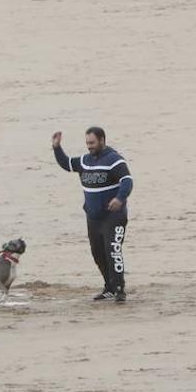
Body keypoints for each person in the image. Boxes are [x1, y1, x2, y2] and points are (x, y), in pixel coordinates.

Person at [52, 128, 132, 302]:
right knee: (98, 253)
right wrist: (57, 148)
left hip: (113, 217)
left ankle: (119, 289)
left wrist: (120, 198)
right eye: (87, 143)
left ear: (102, 140)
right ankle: (109, 286)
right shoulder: (84, 161)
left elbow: (127, 181)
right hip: (93, 218)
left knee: (113, 251)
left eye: (92, 143)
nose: (89, 147)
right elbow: (67, 164)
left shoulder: (114, 160)